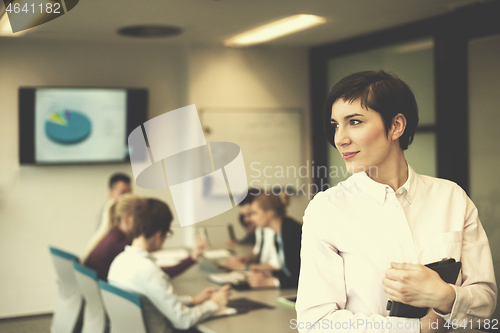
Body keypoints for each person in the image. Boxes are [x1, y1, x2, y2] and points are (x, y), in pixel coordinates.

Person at [296, 71, 497, 332]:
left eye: (354, 122)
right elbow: (315, 323)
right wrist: (416, 329)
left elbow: (486, 303)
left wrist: (444, 296)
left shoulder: (451, 197)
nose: (340, 138)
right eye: (335, 125)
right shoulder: (327, 209)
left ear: (396, 126)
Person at [108, 198, 231, 332]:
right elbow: (183, 320)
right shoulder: (149, 271)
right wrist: (214, 303)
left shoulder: (118, 262)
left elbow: (154, 300)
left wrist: (193, 300)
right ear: (159, 234)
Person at [84, 194, 205, 281]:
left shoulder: (114, 235)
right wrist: (192, 258)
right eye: (140, 217)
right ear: (126, 218)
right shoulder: (120, 245)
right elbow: (157, 275)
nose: (144, 221)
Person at [234, 191, 302, 289]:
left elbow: (300, 277)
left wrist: (271, 282)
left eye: (255, 213)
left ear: (270, 213)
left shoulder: (292, 233)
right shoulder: (278, 234)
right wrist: (268, 275)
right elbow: (287, 271)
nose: (251, 219)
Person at [82, 173, 132, 260]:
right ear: (111, 192)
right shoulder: (106, 215)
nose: (127, 196)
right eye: (123, 192)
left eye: (130, 192)